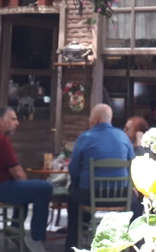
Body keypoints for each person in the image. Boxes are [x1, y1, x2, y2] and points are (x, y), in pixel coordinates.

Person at [0, 107, 52, 252]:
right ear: (0, 121)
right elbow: (18, 173)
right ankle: (36, 238)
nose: (17, 123)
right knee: (44, 187)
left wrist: (27, 186)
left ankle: (15, 227)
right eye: (13, 119)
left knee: (27, 188)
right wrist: (28, 185)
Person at [65, 104, 135, 252]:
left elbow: (74, 170)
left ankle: (73, 245)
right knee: (137, 202)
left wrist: (78, 181)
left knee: (73, 198)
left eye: (90, 116)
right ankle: (135, 245)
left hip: (90, 196)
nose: (89, 119)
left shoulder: (84, 138)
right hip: (122, 196)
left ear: (95, 118)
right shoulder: (123, 136)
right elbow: (133, 165)